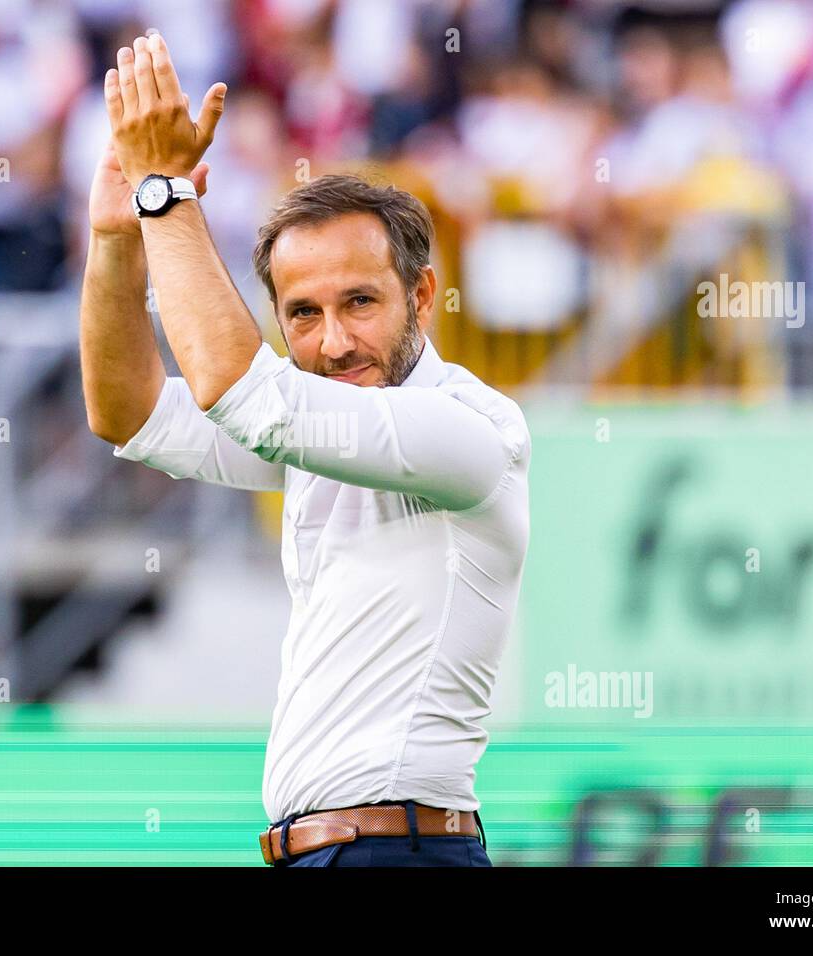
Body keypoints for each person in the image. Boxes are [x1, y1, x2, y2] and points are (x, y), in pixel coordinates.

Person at [80, 34, 530, 867]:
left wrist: (164, 193)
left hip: (394, 851)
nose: (332, 342)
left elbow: (241, 393)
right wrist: (115, 242)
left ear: (423, 295)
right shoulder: (317, 435)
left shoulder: (472, 430)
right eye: (303, 314)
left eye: (360, 301)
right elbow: (126, 410)